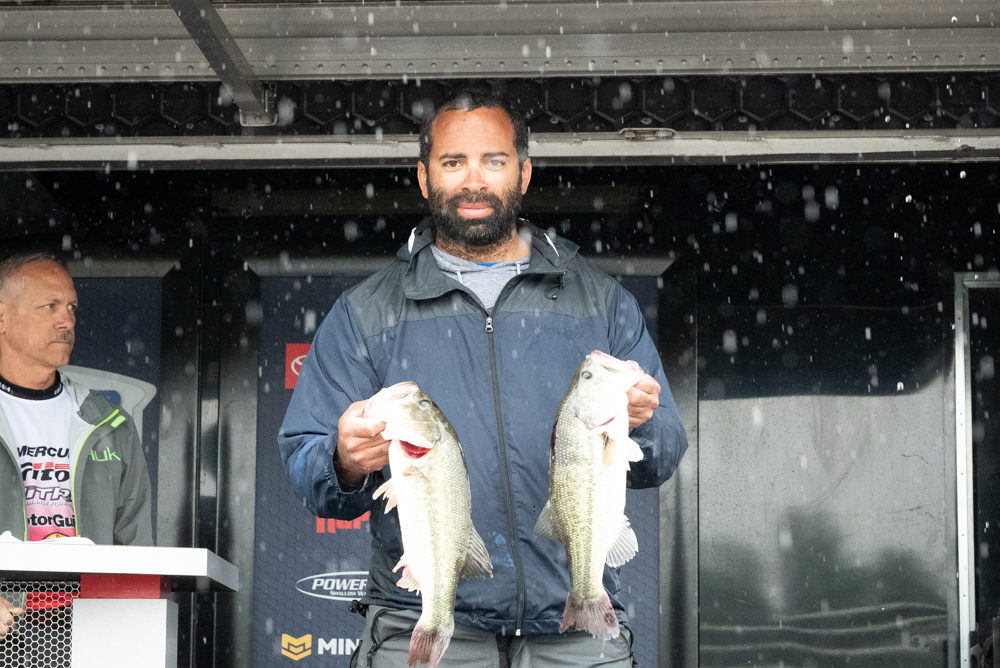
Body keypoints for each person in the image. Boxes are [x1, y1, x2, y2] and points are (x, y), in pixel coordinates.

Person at [278, 88, 688, 667]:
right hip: (418, 620)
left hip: (575, 633)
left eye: (493, 161)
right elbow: (307, 467)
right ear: (424, 178)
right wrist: (343, 459)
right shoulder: (365, 314)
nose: (474, 181)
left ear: (524, 173)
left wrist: (640, 423)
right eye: (453, 163)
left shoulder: (602, 303)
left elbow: (664, 451)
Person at [0, 251, 153, 642]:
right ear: (2, 317)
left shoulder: (109, 421)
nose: (66, 320)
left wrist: (125, 636)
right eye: (49, 306)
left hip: (87, 634)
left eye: (71, 307)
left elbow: (135, 546)